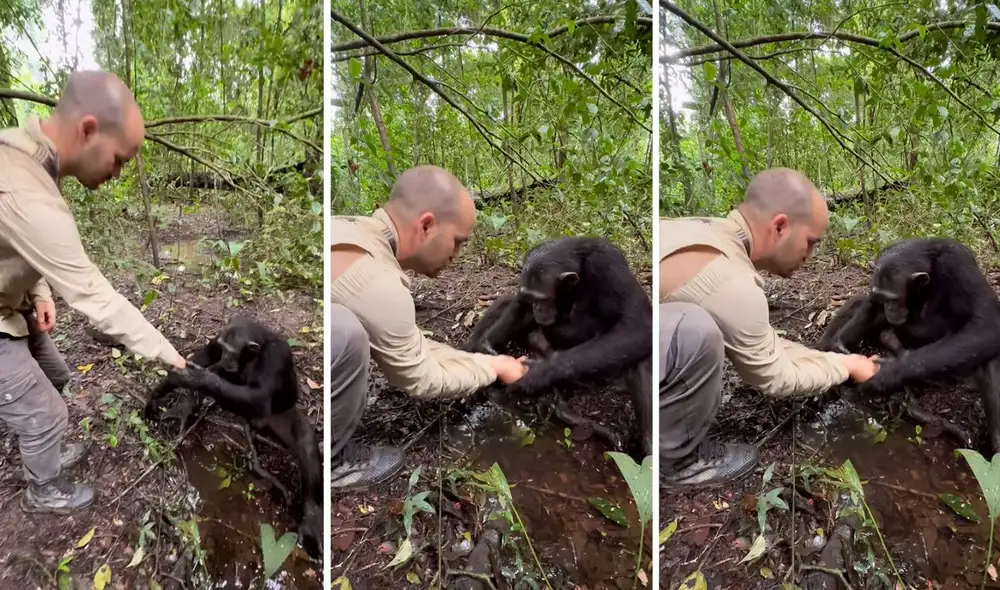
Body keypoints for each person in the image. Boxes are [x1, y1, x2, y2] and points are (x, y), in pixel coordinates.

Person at [0, 70, 186, 514]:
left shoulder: (28, 154)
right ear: (87, 129)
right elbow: (96, 298)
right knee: (47, 414)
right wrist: (172, 356)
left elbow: (19, 243)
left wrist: (40, 294)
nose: (118, 173)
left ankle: (38, 441)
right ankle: (43, 487)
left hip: (12, 307)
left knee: (56, 376)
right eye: (119, 159)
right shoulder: (24, 189)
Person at [659, 168, 879, 488]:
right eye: (810, 242)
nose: (810, 255)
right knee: (696, 331)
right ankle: (678, 463)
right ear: (779, 227)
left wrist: (841, 361)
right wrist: (846, 369)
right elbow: (775, 377)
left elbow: (762, 342)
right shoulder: (732, 282)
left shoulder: (699, 229)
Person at [330, 166, 528, 489]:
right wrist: (493, 371)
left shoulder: (349, 228)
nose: (457, 255)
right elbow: (423, 378)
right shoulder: (380, 284)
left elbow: (412, 344)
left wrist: (490, 362)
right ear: (426, 225)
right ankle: (334, 462)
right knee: (347, 333)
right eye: (457, 242)